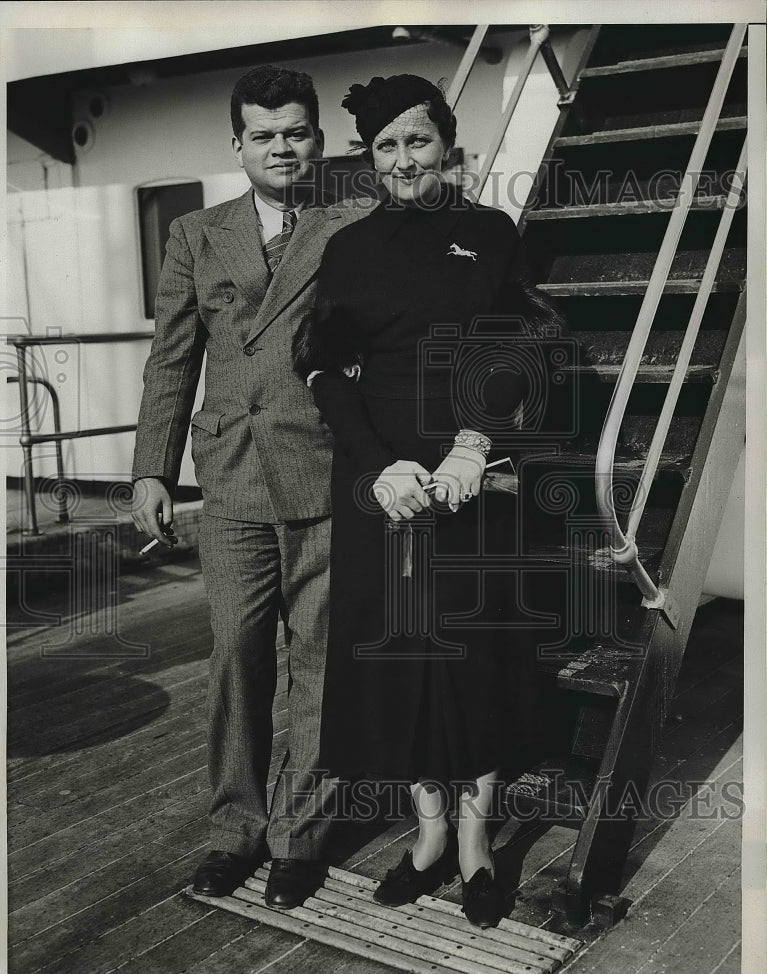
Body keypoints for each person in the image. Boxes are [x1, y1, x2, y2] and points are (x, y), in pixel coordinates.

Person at [294, 74, 562, 928]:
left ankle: (479, 843)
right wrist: (378, 468)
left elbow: (525, 342)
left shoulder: (487, 235)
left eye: (418, 142)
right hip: (385, 486)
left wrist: (474, 446)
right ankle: (428, 837)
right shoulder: (348, 248)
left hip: (469, 474)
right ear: (368, 160)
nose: (404, 160)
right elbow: (324, 370)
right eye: (386, 147)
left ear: (446, 145)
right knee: (403, 661)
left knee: (474, 660)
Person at [131, 65, 372, 909]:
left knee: (319, 663)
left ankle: (300, 838)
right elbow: (172, 358)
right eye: (263, 135)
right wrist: (151, 470)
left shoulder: (354, 224)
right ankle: (234, 830)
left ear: (319, 140)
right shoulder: (197, 234)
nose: (281, 147)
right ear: (237, 145)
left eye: (296, 132)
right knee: (236, 657)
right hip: (229, 476)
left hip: (323, 469)